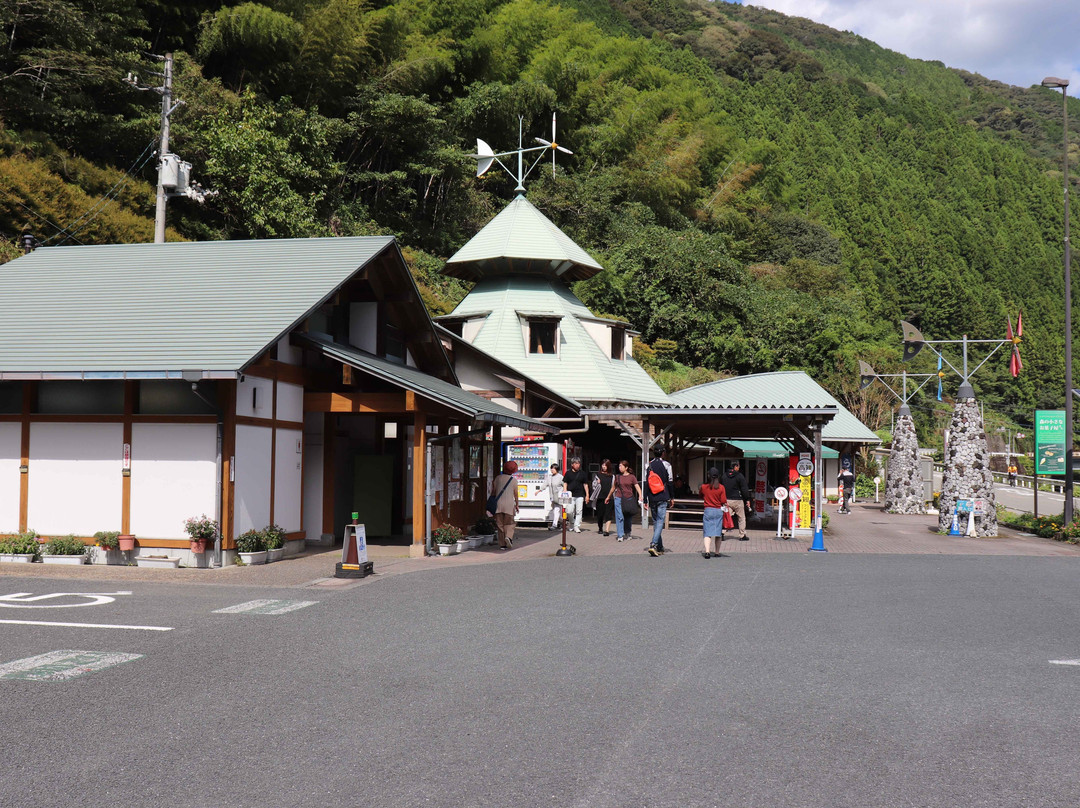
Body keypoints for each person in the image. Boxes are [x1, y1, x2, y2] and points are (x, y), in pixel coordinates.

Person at [645, 448, 671, 556]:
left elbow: (646, 483)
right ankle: (654, 544)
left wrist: (645, 498)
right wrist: (672, 497)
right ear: (663, 453)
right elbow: (670, 482)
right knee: (660, 521)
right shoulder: (667, 465)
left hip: (652, 496)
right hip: (662, 495)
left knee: (656, 522)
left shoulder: (648, 465)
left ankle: (660, 547)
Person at [607, 459, 642, 541]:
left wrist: (640, 495)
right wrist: (608, 497)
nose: (619, 467)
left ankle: (628, 532)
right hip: (618, 498)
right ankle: (620, 535)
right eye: (619, 466)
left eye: (621, 466)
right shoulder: (617, 477)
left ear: (626, 467)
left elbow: (636, 486)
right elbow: (613, 488)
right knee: (619, 517)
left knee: (628, 517)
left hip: (629, 499)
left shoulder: (632, 477)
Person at [699, 467, 728, 558]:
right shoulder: (721, 487)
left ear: (708, 476)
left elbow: (700, 495)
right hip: (718, 510)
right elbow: (723, 500)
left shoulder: (704, 487)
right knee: (718, 532)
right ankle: (717, 552)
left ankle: (707, 552)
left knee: (707, 532)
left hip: (708, 510)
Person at [491, 460, 519, 550]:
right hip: (509, 506)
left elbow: (494, 492)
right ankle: (508, 536)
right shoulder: (514, 481)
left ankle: (502, 545)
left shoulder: (498, 478)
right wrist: (517, 504)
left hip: (498, 505)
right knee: (510, 523)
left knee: (500, 525)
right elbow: (516, 494)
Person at [722, 460, 751, 540]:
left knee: (727, 517)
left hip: (727, 500)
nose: (739, 467)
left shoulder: (724, 476)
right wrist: (747, 499)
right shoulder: (739, 476)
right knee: (741, 518)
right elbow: (744, 489)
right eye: (738, 466)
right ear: (735, 466)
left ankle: (722, 533)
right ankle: (742, 535)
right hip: (738, 500)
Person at [562, 457, 589, 533]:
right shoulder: (568, 473)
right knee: (569, 511)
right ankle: (572, 522)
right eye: (576, 463)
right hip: (570, 495)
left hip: (580, 495)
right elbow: (565, 483)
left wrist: (587, 495)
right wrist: (565, 491)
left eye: (579, 463)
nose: (578, 465)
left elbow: (585, 484)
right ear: (572, 464)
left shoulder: (583, 473)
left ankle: (576, 526)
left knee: (579, 511)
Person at [593, 459, 615, 536]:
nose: (604, 467)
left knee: (608, 514)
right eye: (602, 465)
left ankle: (607, 530)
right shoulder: (598, 475)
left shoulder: (612, 476)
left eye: (605, 465)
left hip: (609, 497)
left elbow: (614, 487)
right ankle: (600, 528)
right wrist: (597, 483)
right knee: (600, 514)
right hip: (600, 497)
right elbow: (593, 486)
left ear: (608, 466)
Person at [545, 463, 564, 528]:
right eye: (551, 468)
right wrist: (539, 490)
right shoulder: (550, 477)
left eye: (553, 468)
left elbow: (565, 485)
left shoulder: (560, 477)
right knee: (556, 511)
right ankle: (563, 522)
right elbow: (545, 484)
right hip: (552, 497)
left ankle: (554, 525)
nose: (552, 470)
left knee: (556, 510)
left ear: (557, 469)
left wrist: (564, 493)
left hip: (558, 497)